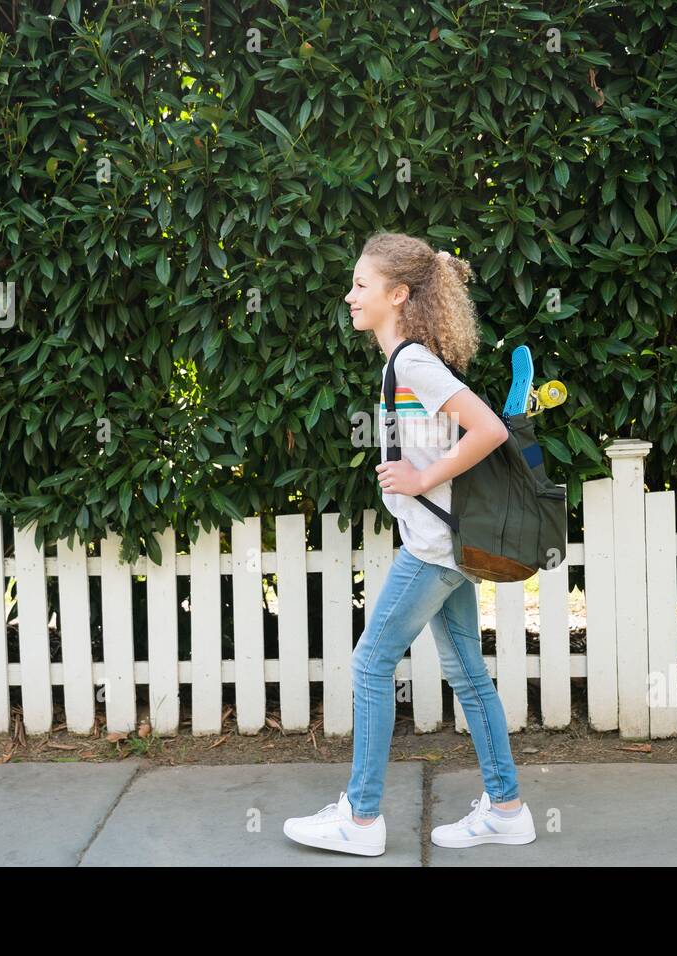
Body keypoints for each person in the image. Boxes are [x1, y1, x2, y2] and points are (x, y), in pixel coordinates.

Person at [282, 232, 537, 856]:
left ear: (399, 295)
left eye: (361, 285)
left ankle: (362, 819)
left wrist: (421, 477)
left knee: (371, 664)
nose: (349, 295)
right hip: (447, 545)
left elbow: (489, 430)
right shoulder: (404, 363)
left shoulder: (414, 362)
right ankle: (506, 808)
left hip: (432, 548)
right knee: (468, 674)